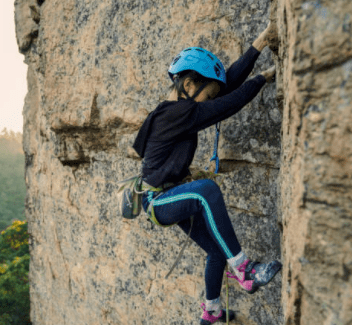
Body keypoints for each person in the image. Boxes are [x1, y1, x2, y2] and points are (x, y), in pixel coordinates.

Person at [132, 22, 281, 325]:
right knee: (205, 190)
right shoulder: (176, 113)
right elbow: (228, 103)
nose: (211, 102)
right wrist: (262, 78)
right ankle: (244, 270)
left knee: (215, 250)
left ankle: (211, 311)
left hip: (167, 195)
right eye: (207, 95)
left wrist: (261, 41)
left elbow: (225, 88)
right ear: (189, 85)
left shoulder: (177, 109)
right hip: (157, 200)